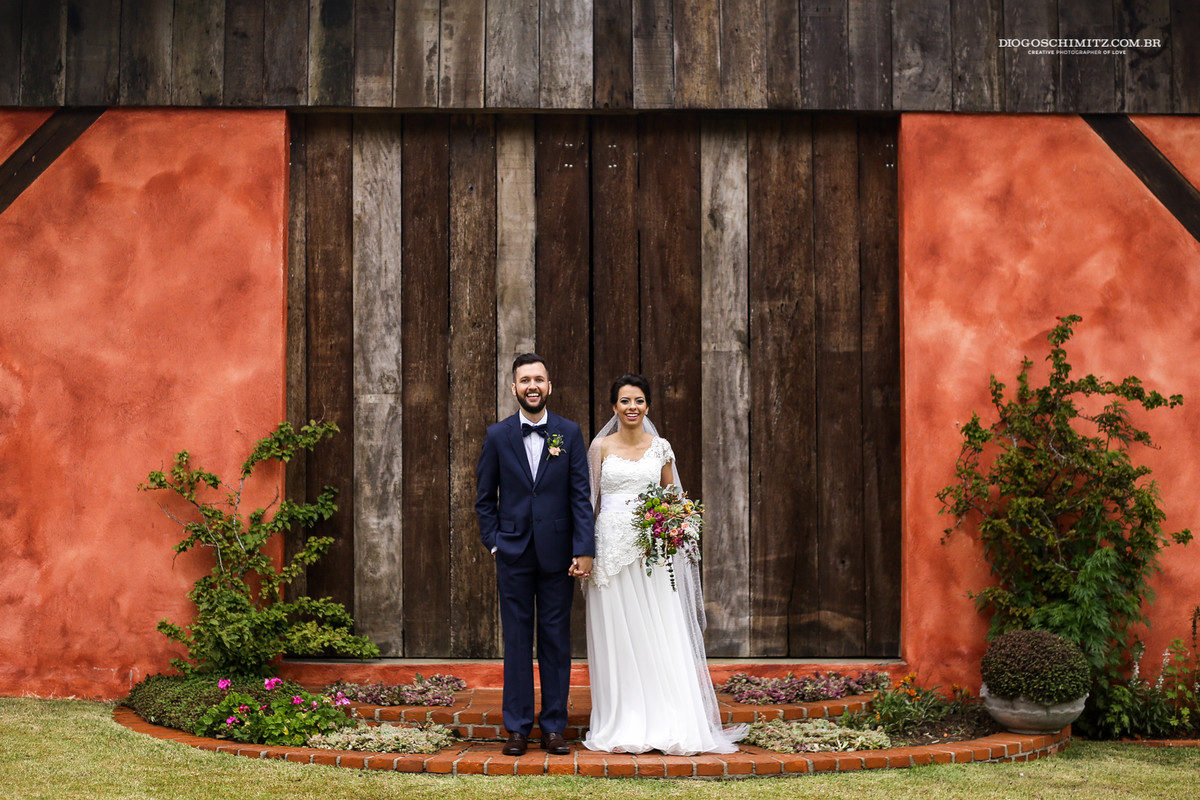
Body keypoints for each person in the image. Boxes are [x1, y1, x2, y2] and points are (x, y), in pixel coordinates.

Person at [582, 374, 746, 755]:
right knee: (619, 637)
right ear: (614, 407)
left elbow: (674, 501)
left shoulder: (662, 448)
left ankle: (670, 719)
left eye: (638, 401)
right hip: (610, 555)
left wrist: (672, 529)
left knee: (658, 631)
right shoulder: (599, 448)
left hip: (652, 555)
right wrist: (584, 551)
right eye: (624, 401)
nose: (632, 407)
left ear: (648, 406)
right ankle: (624, 720)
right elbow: (589, 503)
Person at [475, 353, 595, 757]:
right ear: (514, 388)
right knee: (516, 641)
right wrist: (495, 542)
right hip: (513, 554)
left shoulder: (568, 433)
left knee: (556, 644)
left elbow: (581, 497)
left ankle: (554, 727)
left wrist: (584, 549)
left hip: (560, 557)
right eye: (524, 379)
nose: (532, 386)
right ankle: (517, 728)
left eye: (539, 379)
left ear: (549, 386)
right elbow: (483, 499)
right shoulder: (497, 436)